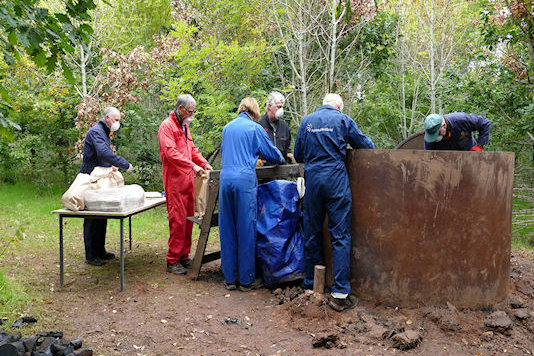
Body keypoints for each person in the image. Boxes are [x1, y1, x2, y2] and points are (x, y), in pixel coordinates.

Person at [293, 93, 375, 312]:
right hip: (335, 181)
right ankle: (339, 294)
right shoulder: (342, 120)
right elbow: (365, 145)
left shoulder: (307, 121)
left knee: (312, 233)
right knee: (340, 235)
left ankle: (311, 287)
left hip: (313, 181)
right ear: (338, 107)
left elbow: (298, 154)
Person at [218, 97, 284, 292]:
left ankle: (230, 279)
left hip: (225, 180)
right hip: (244, 181)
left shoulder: (227, 128)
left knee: (227, 228)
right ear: (255, 112)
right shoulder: (254, 129)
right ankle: (246, 280)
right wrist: (280, 157)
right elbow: (273, 155)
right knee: (246, 229)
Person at [158, 94, 213, 275]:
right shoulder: (167, 127)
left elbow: (192, 150)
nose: (192, 114)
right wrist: (192, 166)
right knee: (178, 222)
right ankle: (172, 260)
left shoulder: (185, 126)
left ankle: (184, 256)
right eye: (190, 111)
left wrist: (203, 163)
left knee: (189, 221)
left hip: (189, 182)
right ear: (180, 109)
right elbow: (171, 154)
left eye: (193, 111)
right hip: (175, 183)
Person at [80, 107, 133, 266]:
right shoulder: (96, 131)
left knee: (102, 213)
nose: (118, 123)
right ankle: (91, 255)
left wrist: (111, 166)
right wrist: (124, 164)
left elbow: (101, 156)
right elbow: (103, 152)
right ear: (108, 117)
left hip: (101, 177)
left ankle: (100, 250)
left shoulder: (105, 132)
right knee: (92, 216)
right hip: (91, 178)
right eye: (116, 120)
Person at [258, 91, 294, 164]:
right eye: (278, 107)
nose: (281, 110)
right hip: (263, 170)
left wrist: (289, 155)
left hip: (281, 170)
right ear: (270, 106)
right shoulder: (258, 124)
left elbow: (287, 148)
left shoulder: (284, 126)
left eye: (282, 107)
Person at [423, 113, 491, 151]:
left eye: (438, 133)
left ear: (444, 125)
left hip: (470, 154)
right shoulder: (430, 138)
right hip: (447, 161)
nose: (436, 136)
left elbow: (484, 123)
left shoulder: (461, 120)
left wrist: (480, 145)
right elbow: (429, 157)